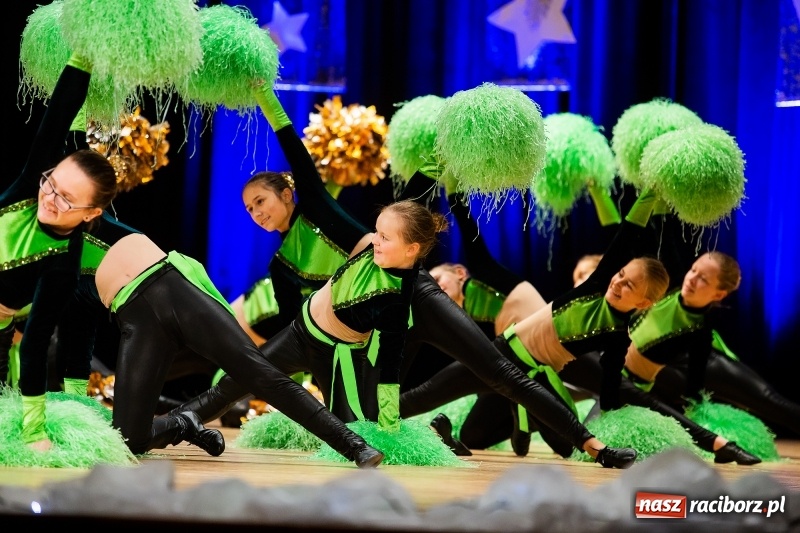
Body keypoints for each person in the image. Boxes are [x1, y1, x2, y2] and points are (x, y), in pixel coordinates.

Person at [169, 88, 639, 468]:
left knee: (498, 373)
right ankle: (184, 417)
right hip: (354, 330)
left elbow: (405, 183)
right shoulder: (281, 265)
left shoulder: (318, 209)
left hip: (408, 303)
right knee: (260, 370)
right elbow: (305, 330)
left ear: (288, 193)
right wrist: (319, 373)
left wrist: (264, 96)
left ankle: (592, 445)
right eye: (248, 209)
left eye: (260, 201)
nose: (255, 212)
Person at [32, 62, 384, 468]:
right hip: (136, 320)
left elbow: (69, 143)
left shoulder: (86, 208)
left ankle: (355, 445)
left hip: (171, 288)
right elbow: (79, 330)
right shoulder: (54, 268)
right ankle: (184, 423)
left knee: (257, 372)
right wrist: (76, 409)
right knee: (129, 438)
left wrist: (82, 64)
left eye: (60, 191)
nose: (53, 198)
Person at [399, 187, 671, 461]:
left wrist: (650, 190)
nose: (436, 289)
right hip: (505, 357)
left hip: (534, 370)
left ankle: (537, 421)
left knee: (567, 444)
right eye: (621, 275)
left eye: (438, 280)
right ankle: (371, 422)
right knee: (466, 429)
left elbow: (624, 236)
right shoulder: (461, 313)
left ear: (460, 272)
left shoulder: (491, 275)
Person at [0, 54, 121, 451]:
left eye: (66, 199)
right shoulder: (23, 194)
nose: (49, 199)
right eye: (50, 184)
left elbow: (35, 343)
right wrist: (83, 54)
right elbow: (59, 113)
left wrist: (34, 431)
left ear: (91, 214)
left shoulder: (64, 265)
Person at [558, 246, 763, 464]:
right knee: (574, 435)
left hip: (631, 389)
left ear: (719, 294)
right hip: (608, 376)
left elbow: (695, 380)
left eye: (703, 278)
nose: (692, 279)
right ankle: (720, 444)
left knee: (584, 442)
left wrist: (695, 406)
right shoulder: (668, 288)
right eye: (693, 270)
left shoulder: (700, 332)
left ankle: (719, 444)